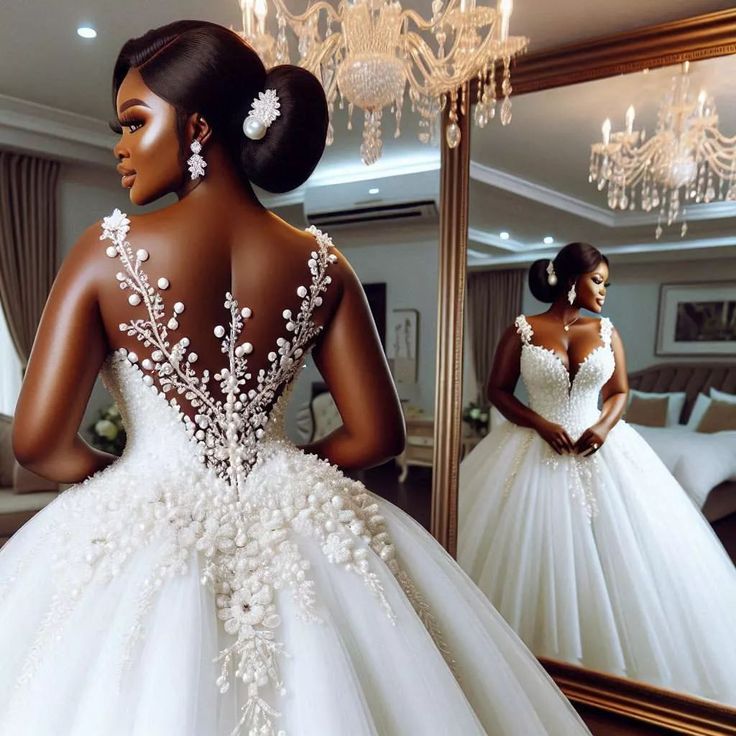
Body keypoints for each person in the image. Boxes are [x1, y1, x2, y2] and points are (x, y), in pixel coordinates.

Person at [0, 21, 589, 736]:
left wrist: (129, 477)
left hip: (148, 506)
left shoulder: (107, 252)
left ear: (197, 128)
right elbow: (376, 434)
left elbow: (36, 442)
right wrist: (279, 468)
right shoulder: (321, 262)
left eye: (132, 122)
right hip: (299, 512)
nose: (118, 147)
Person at [458, 242, 736, 705]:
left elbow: (620, 391)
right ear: (571, 280)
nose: (605, 291)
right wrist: (539, 422)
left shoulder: (607, 332)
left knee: (619, 546)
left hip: (600, 447)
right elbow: (499, 391)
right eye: (598, 281)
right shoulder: (522, 331)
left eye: (606, 282)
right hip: (533, 446)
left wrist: (604, 426)